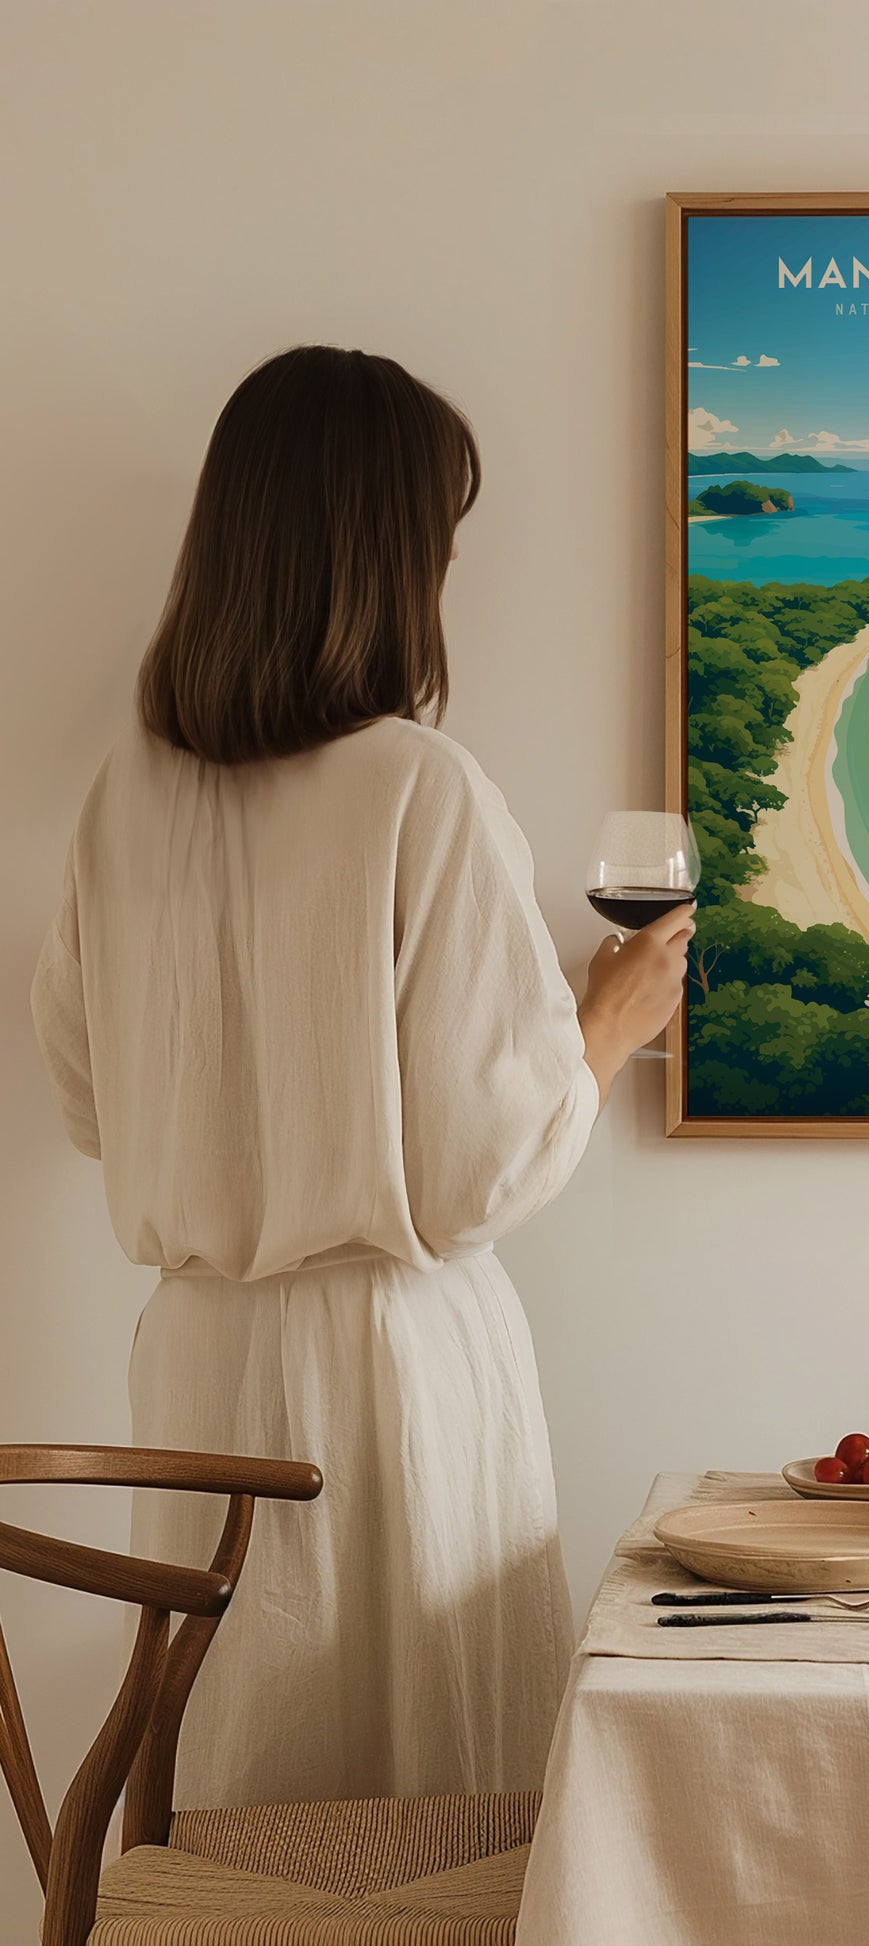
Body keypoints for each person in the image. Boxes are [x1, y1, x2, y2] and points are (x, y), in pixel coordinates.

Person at [29, 345, 691, 1806]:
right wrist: (606, 1023)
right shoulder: (418, 785)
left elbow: (87, 1100)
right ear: (389, 553)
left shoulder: (125, 795)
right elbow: (474, 1176)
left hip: (195, 1361)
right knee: (428, 1804)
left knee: (238, 1783)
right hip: (391, 1368)